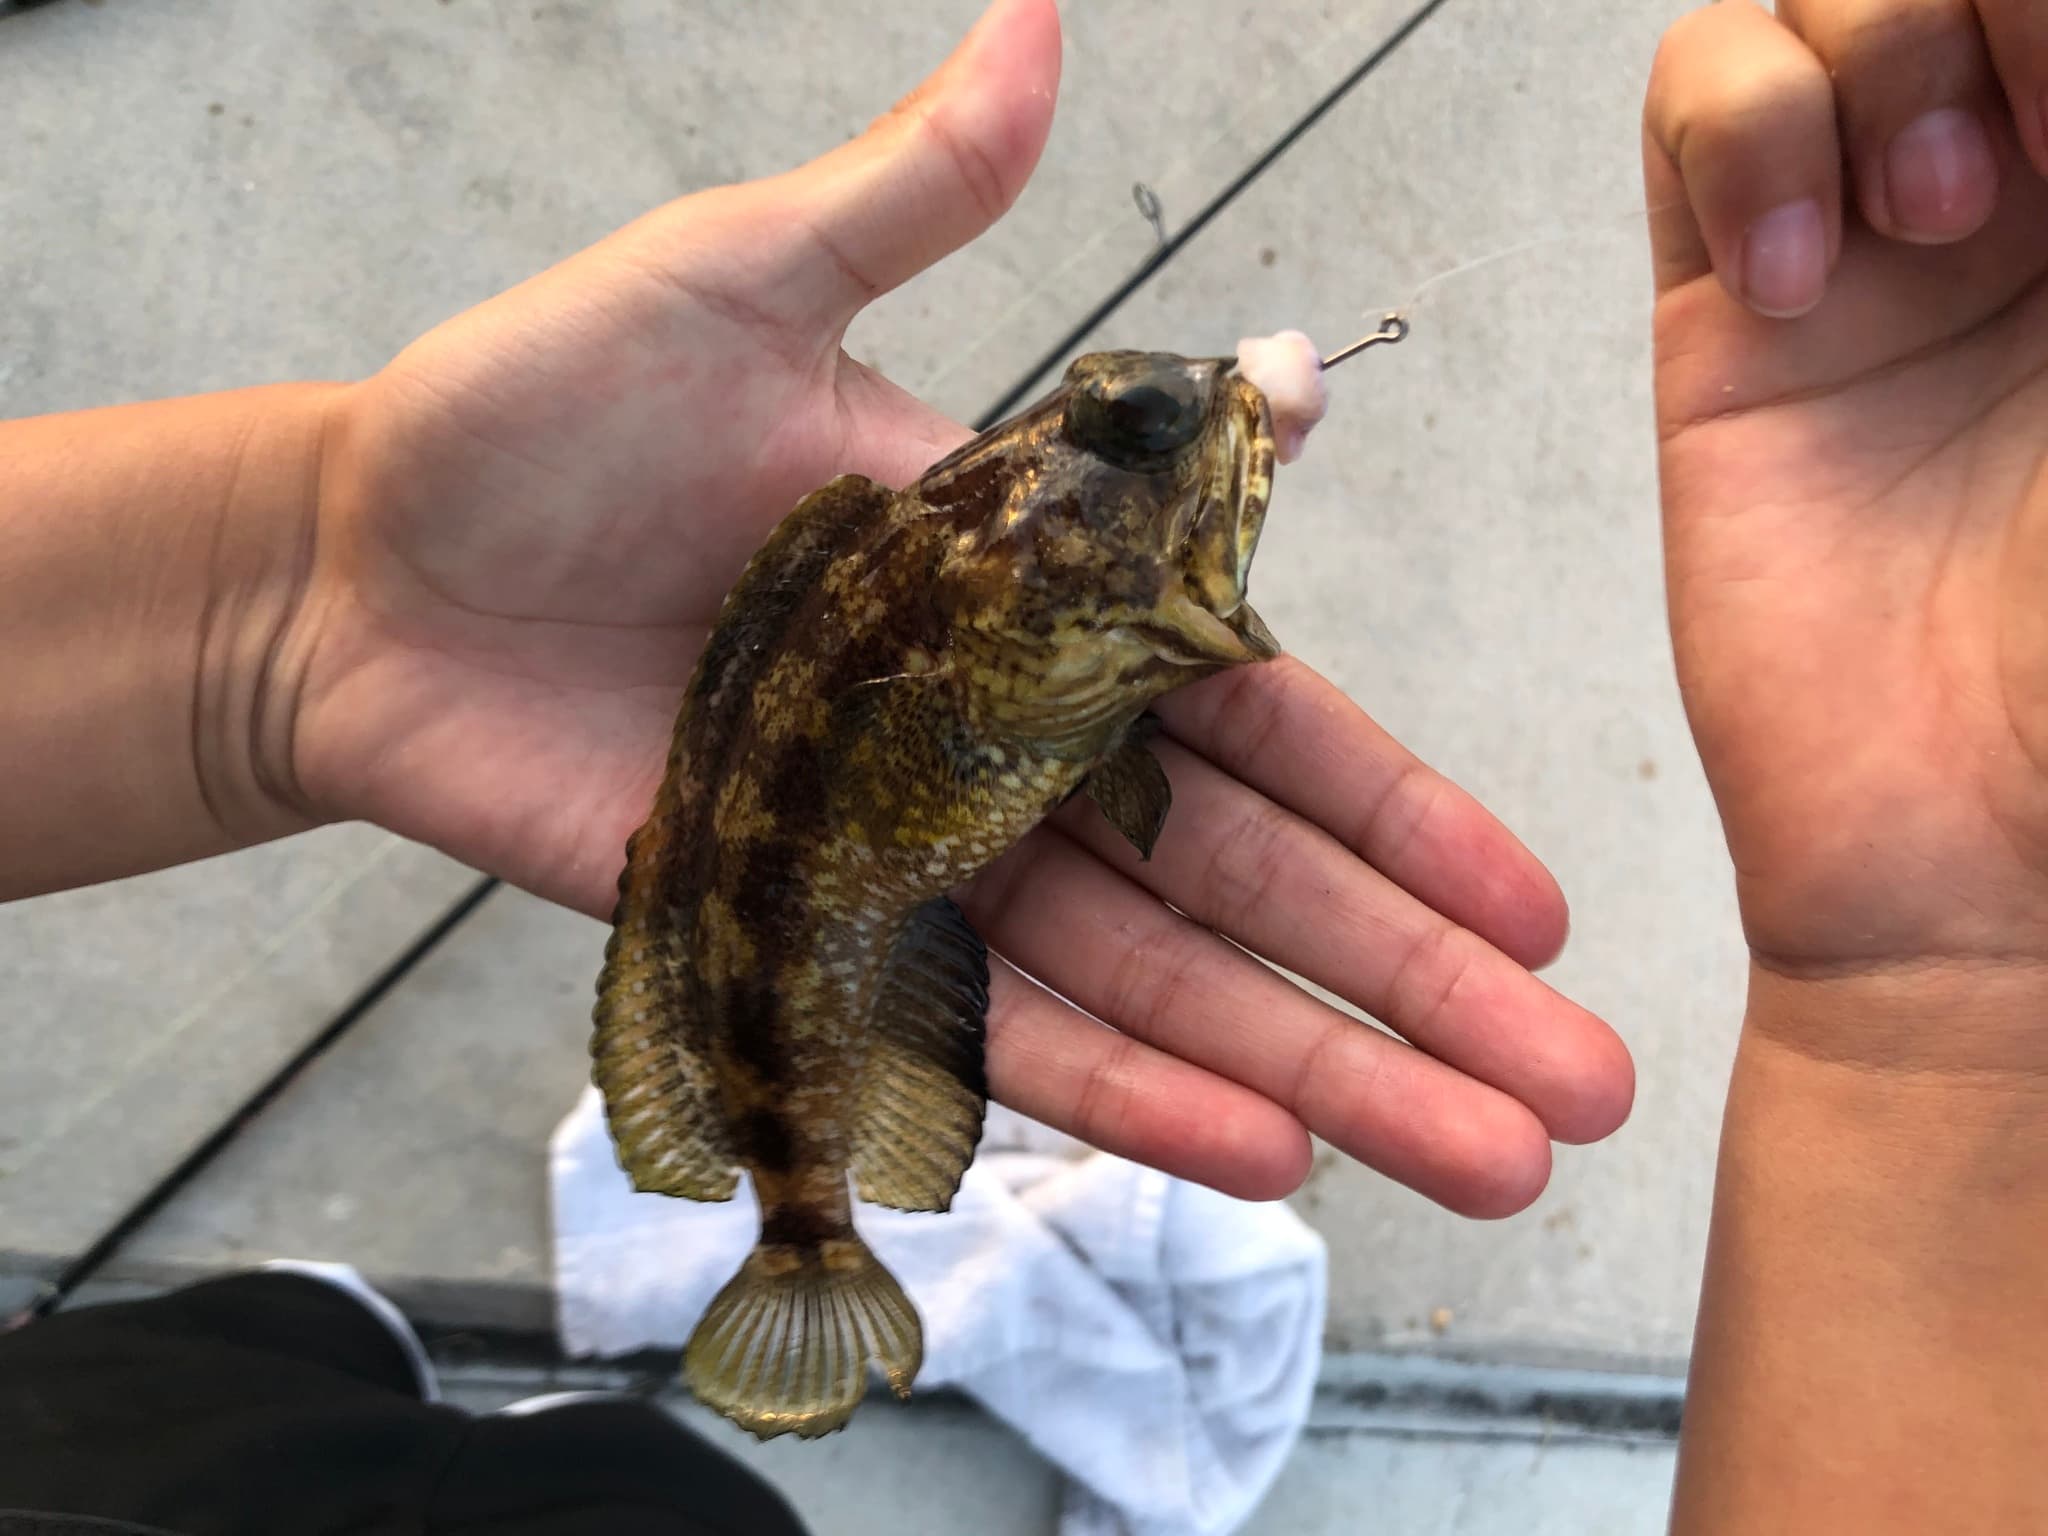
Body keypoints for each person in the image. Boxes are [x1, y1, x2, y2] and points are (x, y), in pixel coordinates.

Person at [0, 0, 2038, 1528]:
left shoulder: (1004, 592)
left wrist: (308, 581)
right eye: (1120, 446)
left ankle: (362, 1362)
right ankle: (642, 1339)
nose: (1187, 429)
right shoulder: (1028, 611)